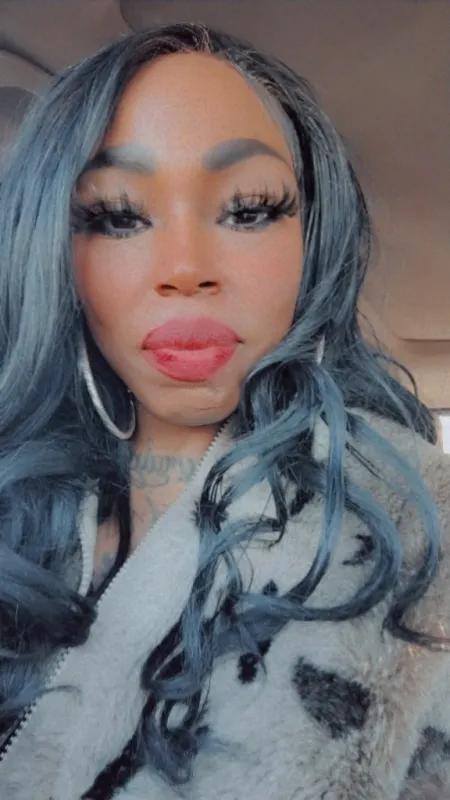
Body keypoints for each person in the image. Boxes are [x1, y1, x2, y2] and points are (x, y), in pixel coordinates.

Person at [0, 21, 449, 800]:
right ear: (54, 256)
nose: (184, 269)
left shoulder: (414, 533)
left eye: (248, 209)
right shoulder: (18, 500)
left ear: (313, 241)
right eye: (116, 214)